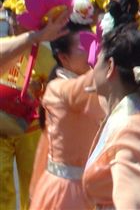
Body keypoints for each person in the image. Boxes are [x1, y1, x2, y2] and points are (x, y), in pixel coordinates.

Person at [82, 25, 140, 209]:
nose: (92, 69)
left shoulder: (129, 130)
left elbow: (134, 201)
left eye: (96, 61)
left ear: (110, 67)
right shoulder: (128, 112)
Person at [29, 15, 101, 210]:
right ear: (63, 57)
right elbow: (80, 89)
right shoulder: (58, 88)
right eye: (85, 45)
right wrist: (108, 55)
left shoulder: (94, 85)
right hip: (66, 193)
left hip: (92, 188)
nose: (93, 50)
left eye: (94, 43)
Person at [0, 9, 68, 210]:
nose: (14, 21)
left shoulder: (46, 56)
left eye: (20, 17)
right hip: (1, 129)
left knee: (32, 186)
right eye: (12, 16)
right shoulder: (4, 46)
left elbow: (55, 93)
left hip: (30, 130)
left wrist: (39, 91)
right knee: (1, 187)